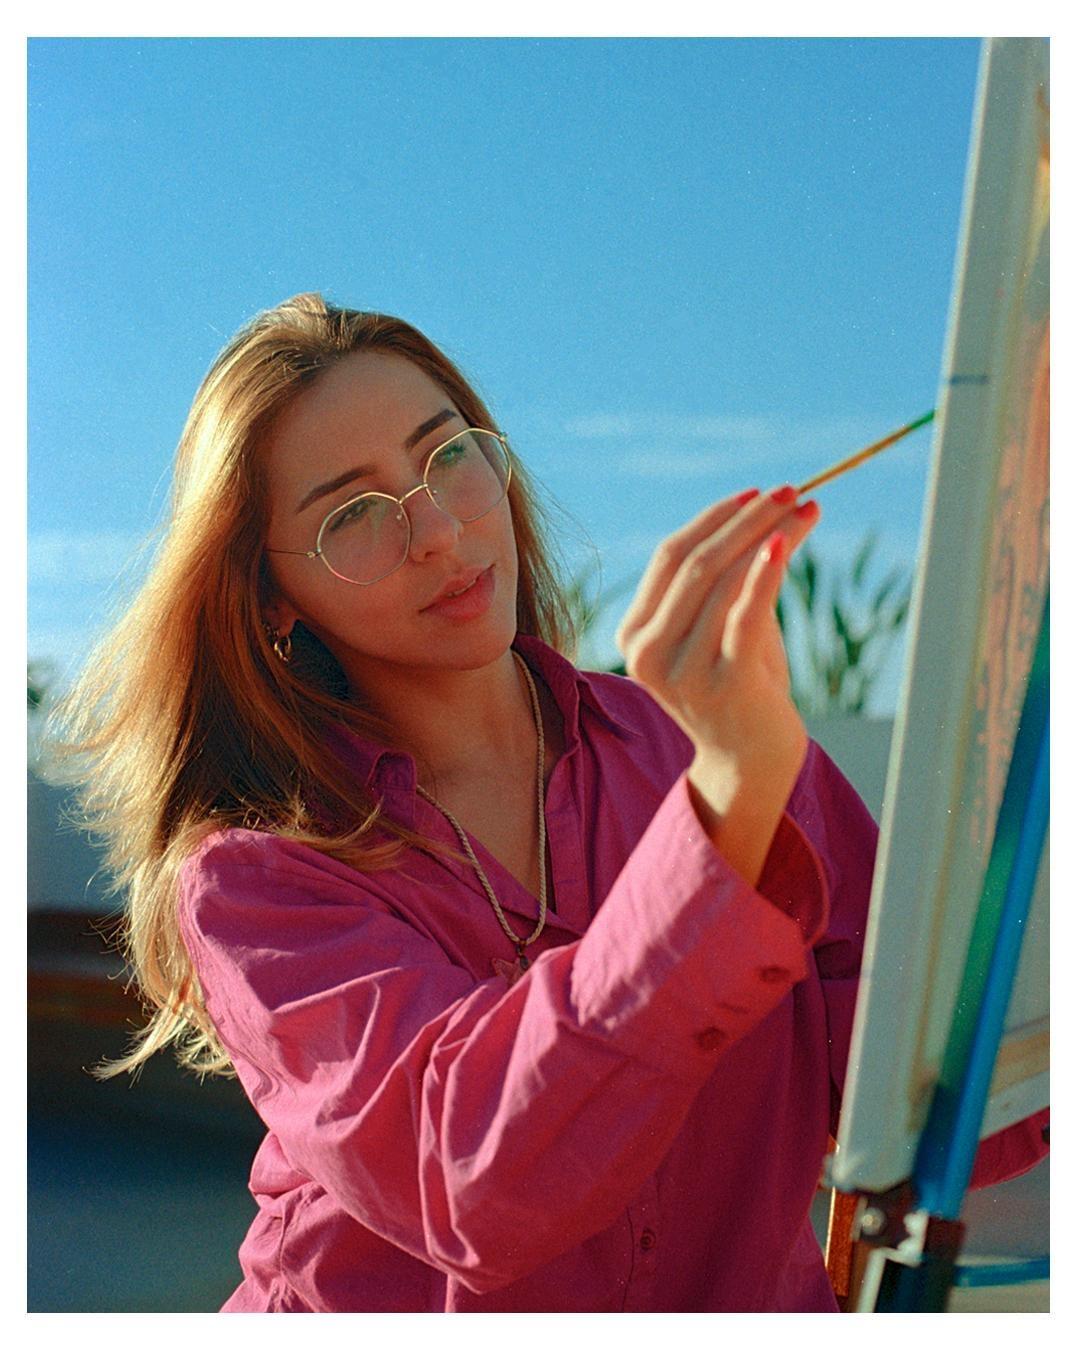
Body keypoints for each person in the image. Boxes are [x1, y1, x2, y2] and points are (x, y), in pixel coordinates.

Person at [52, 293, 1048, 1313]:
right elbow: (474, 1181)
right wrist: (726, 808)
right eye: (352, 515)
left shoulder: (708, 743)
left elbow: (952, 1104)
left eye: (448, 456)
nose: (440, 530)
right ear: (271, 597)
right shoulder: (254, 878)